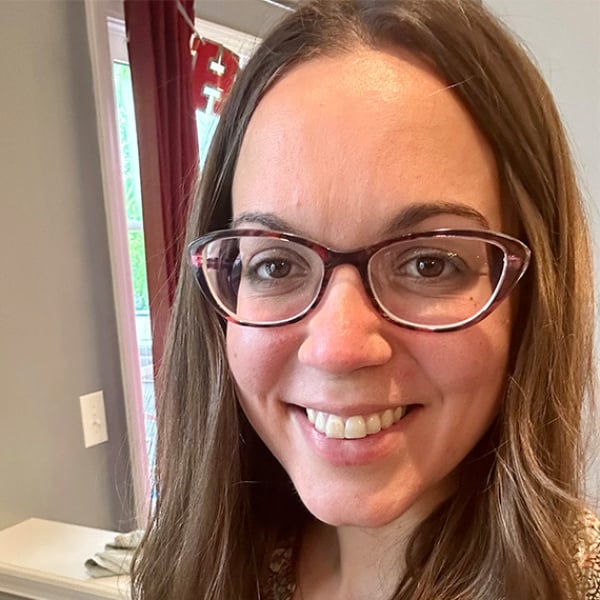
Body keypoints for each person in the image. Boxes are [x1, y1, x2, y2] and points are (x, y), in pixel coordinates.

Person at [131, 0, 600, 598]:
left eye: (429, 264)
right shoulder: (210, 570)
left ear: (530, 297)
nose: (338, 349)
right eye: (276, 264)